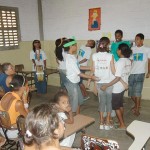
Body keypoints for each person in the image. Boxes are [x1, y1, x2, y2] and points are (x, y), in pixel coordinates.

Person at [62, 38, 99, 115]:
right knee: (73, 104)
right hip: (71, 83)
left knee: (78, 101)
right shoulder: (70, 58)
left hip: (75, 82)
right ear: (71, 46)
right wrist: (91, 77)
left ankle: (78, 118)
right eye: (75, 45)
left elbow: (78, 66)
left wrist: (89, 68)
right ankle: (72, 121)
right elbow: (79, 73)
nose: (76, 46)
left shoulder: (72, 56)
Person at [101, 43, 132, 129]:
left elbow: (117, 78)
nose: (117, 51)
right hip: (123, 86)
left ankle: (122, 124)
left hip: (117, 88)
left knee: (116, 106)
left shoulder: (120, 62)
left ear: (120, 51)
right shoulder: (128, 61)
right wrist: (124, 83)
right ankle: (120, 120)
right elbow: (121, 75)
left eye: (118, 49)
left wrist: (106, 85)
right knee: (120, 104)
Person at [91, 37, 115, 130]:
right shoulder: (110, 55)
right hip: (108, 83)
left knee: (101, 102)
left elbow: (93, 70)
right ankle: (108, 121)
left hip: (99, 83)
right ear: (107, 45)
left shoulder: (94, 55)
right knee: (109, 102)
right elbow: (113, 71)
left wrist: (93, 84)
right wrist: (120, 77)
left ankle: (101, 122)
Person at [128, 33, 150, 116]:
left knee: (137, 92)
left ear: (142, 40)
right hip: (131, 73)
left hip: (140, 73)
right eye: (135, 39)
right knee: (131, 93)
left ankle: (137, 109)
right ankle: (138, 105)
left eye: (137, 39)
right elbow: (130, 61)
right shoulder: (132, 49)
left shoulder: (147, 49)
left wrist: (149, 72)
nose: (135, 40)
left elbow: (149, 61)